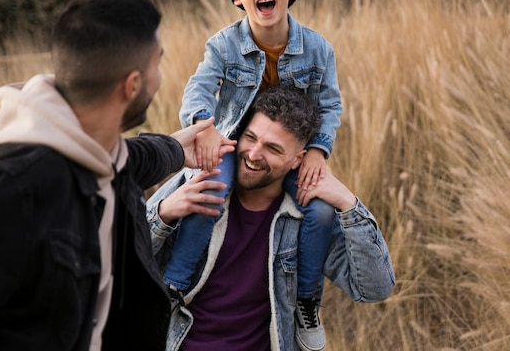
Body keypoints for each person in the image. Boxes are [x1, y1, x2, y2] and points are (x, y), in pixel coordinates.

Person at [0, 0, 230, 351]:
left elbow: (133, 158)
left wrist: (176, 149)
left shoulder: (94, 149)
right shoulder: (16, 189)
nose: (160, 79)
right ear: (132, 85)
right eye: (157, 64)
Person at [158, 0, 343, 351]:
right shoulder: (223, 45)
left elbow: (330, 104)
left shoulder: (316, 48)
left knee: (321, 210)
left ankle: (306, 303)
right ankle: (174, 283)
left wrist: (317, 150)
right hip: (231, 144)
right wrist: (202, 128)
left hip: (289, 153)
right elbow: (199, 89)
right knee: (211, 189)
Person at [147, 85, 395, 351]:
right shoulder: (198, 184)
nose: (253, 154)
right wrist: (163, 214)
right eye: (250, 138)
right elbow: (119, 260)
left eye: (273, 149)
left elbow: (374, 289)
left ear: (298, 160)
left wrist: (349, 204)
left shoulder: (308, 215)